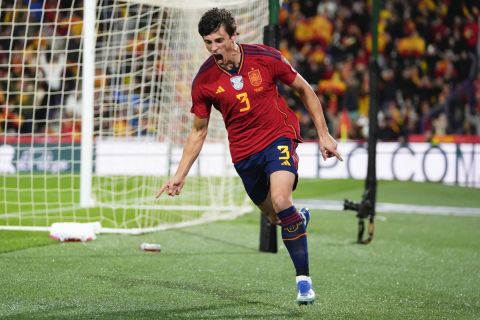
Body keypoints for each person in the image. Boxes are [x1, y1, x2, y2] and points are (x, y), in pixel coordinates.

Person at [156, 8, 342, 305]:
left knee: (282, 201)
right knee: (276, 216)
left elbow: (303, 89)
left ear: (234, 34)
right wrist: (180, 175)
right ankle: (298, 219)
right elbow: (198, 131)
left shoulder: (266, 57)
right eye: (208, 42)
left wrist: (323, 134)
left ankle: (304, 282)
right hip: (244, 154)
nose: (214, 48)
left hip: (277, 136)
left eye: (219, 40)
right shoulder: (203, 80)